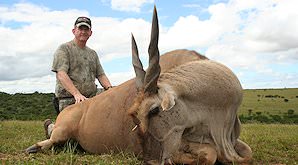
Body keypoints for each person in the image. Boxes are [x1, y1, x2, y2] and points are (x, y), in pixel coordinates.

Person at [44, 16, 112, 139]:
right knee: (69, 138)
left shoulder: (92, 54)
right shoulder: (64, 49)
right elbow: (61, 74)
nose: (83, 32)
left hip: (90, 99)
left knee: (96, 131)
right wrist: (76, 94)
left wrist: (110, 89)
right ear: (74, 31)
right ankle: (51, 128)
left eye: (86, 29)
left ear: (90, 33)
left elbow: (101, 74)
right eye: (80, 28)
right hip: (69, 98)